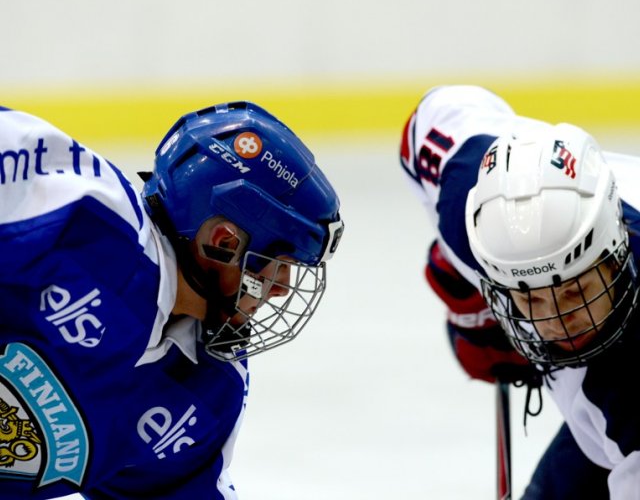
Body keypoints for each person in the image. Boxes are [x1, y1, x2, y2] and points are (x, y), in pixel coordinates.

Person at [0, 101, 344, 499]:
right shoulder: (87, 214)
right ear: (223, 243)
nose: (282, 288)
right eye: (277, 265)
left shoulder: (211, 389)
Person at [399, 85, 640, 499]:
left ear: (615, 256)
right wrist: (466, 292)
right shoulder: (468, 216)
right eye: (530, 298)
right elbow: (435, 116)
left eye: (573, 292)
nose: (557, 324)